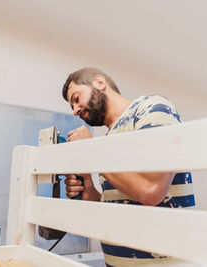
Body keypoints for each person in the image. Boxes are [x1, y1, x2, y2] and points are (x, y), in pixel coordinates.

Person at [62, 67, 195, 266]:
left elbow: (152, 191)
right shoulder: (110, 138)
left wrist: (92, 153)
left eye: (76, 98)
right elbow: (125, 206)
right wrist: (92, 192)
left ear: (99, 83)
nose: (75, 111)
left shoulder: (151, 107)